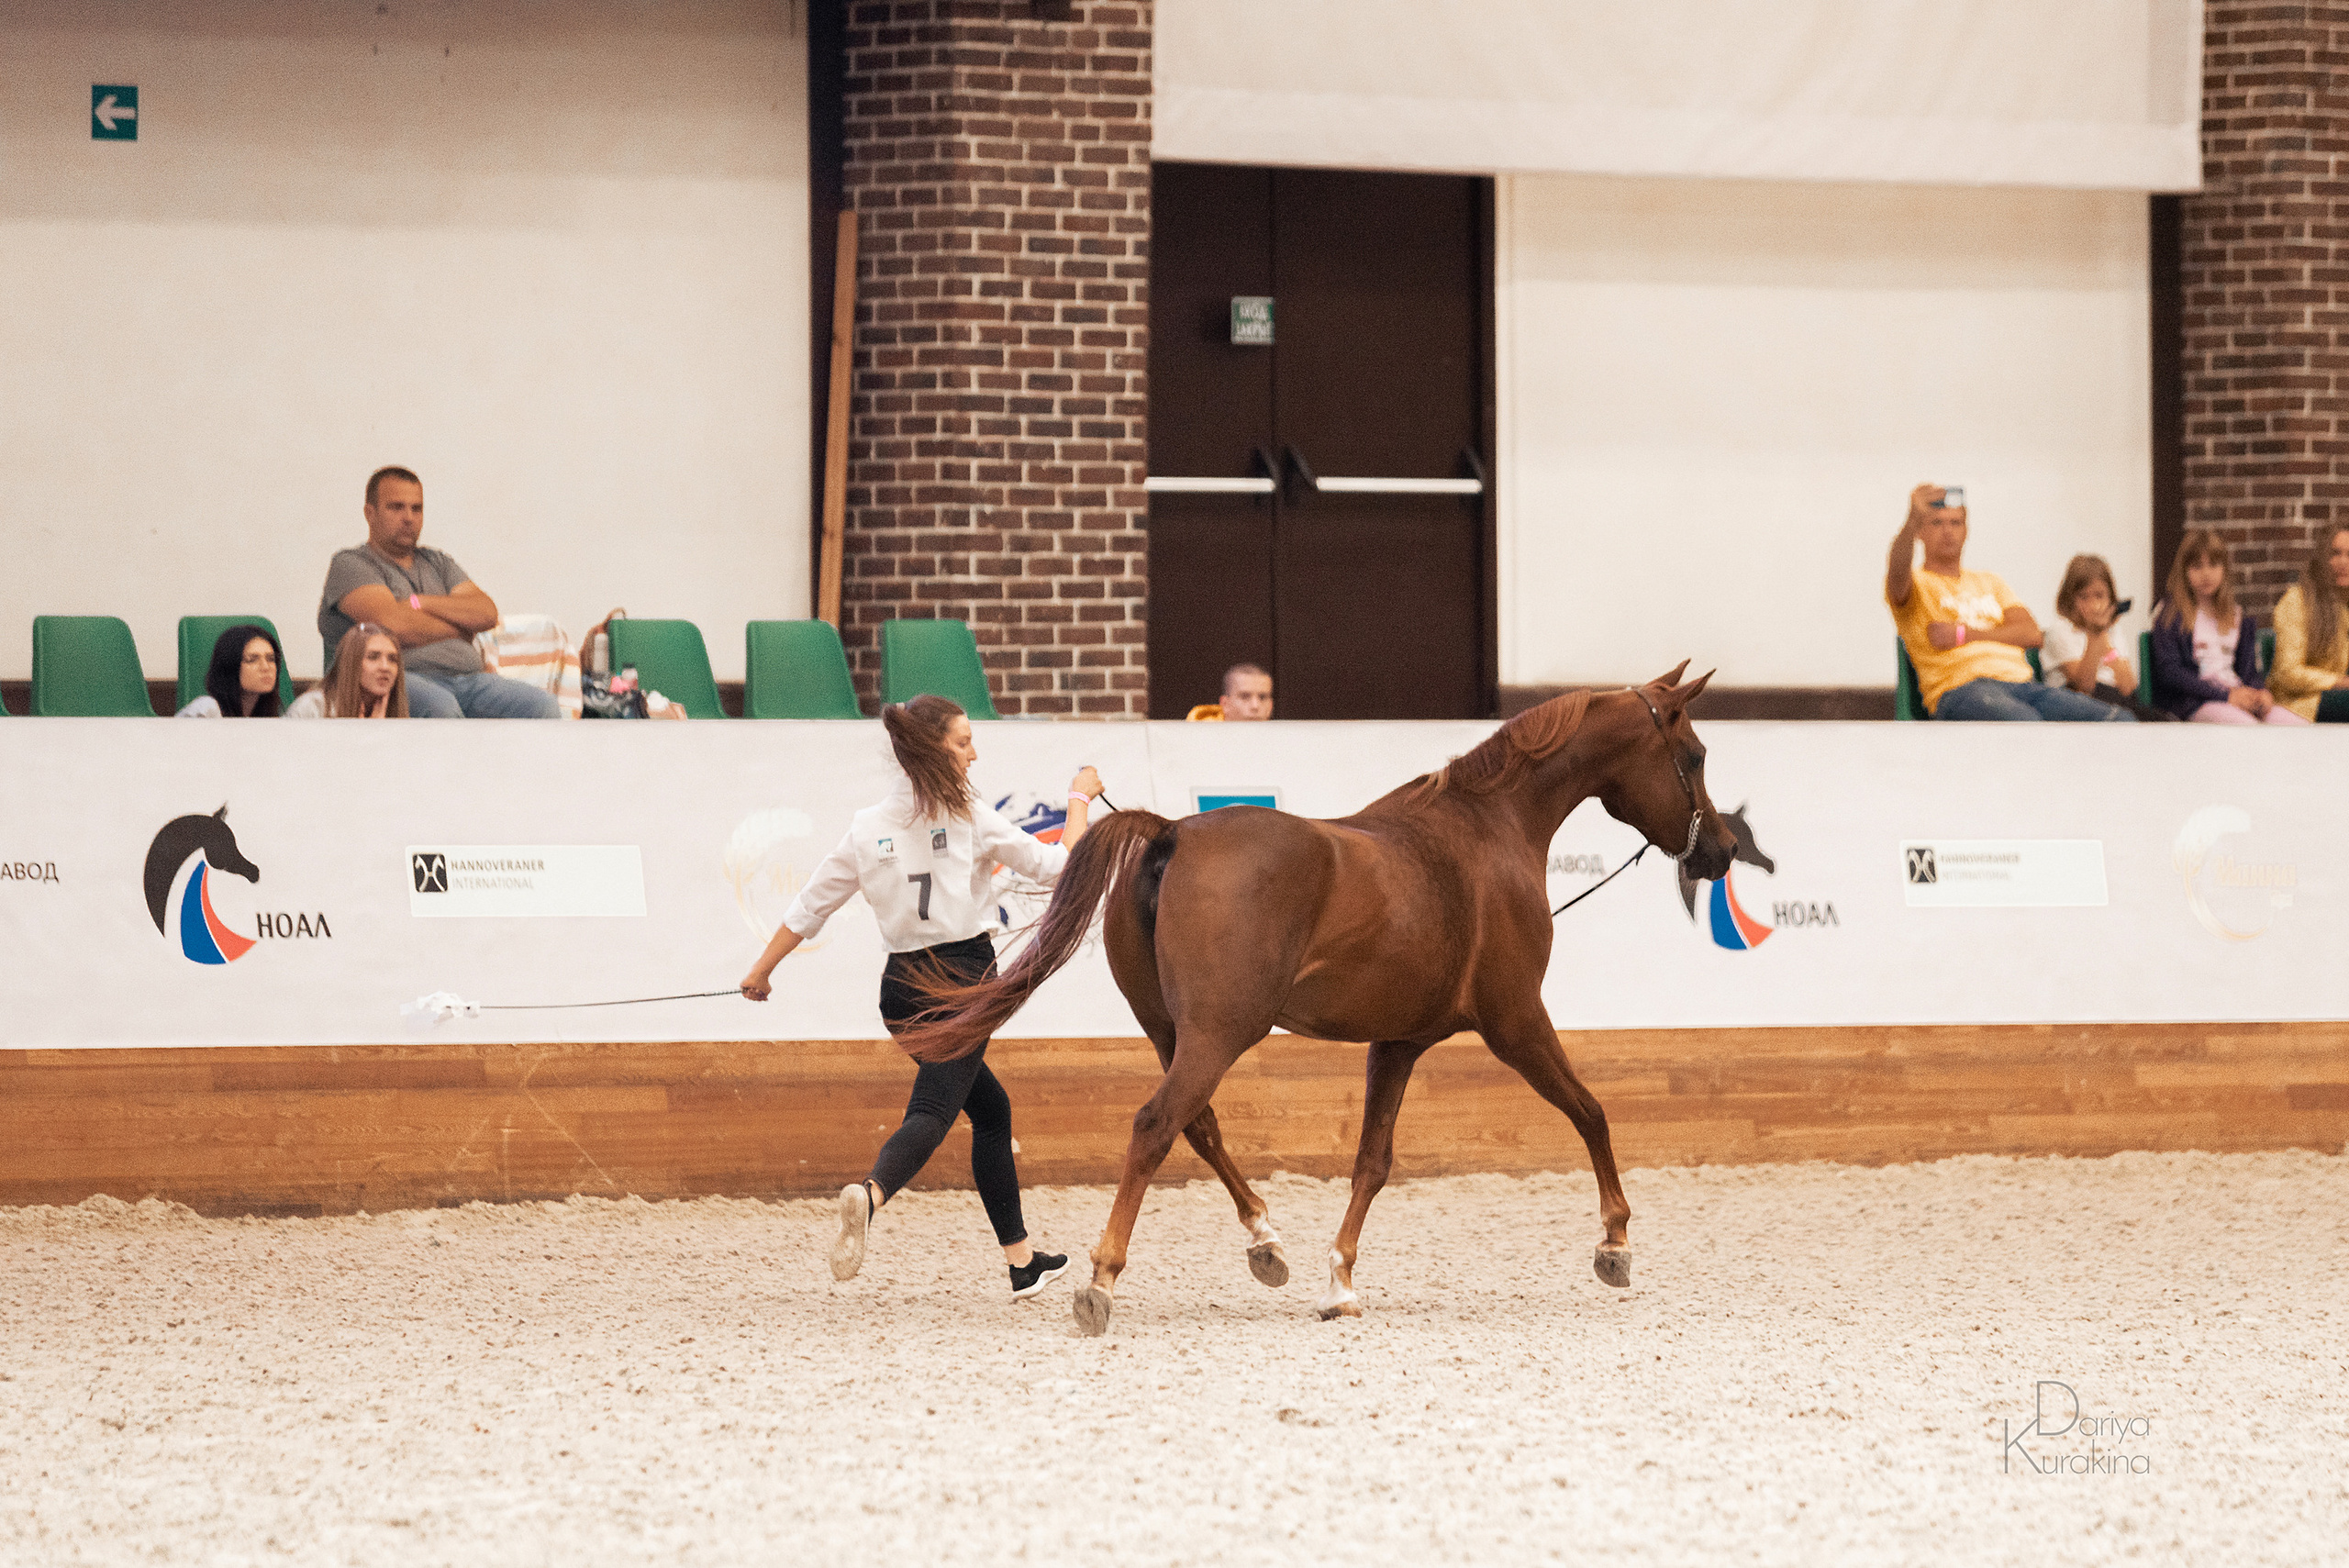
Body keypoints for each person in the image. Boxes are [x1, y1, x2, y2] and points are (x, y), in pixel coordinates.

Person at [738, 695, 1106, 1298]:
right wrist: (1080, 796)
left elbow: (811, 906)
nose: (975, 750)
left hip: (901, 990)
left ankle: (1021, 1261)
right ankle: (871, 1191)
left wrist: (761, 971)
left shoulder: (865, 827)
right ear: (935, 749)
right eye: (965, 741)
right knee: (933, 1111)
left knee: (989, 1108)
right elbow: (1061, 866)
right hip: (962, 978)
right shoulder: (972, 817)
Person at [317, 466, 561, 719]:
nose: (409, 517)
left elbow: (487, 613)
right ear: (370, 513)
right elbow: (394, 625)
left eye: (416, 508)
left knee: (543, 706)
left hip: (469, 680)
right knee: (440, 708)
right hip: (398, 680)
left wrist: (420, 603)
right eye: (396, 507)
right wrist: (463, 627)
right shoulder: (351, 564)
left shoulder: (438, 562)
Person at [1885, 484, 2127, 721]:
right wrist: (1911, 521)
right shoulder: (1916, 582)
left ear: (1966, 530)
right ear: (1920, 532)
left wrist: (1963, 635)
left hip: (2023, 686)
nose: (1947, 531)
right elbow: (1897, 571)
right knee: (2026, 724)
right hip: (1961, 689)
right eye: (1936, 523)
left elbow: (2031, 634)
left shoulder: (1990, 581)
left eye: (1955, 522)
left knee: (2119, 721)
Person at [2150, 530, 2304, 725]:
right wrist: (2226, 697)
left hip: (2235, 695)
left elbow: (2248, 672)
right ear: (2184, 571)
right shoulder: (2171, 614)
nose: (2206, 574)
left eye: (2213, 565)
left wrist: (2260, 693)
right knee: (2246, 727)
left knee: (2294, 726)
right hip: (2197, 702)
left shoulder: (2237, 615)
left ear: (2225, 569)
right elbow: (2171, 673)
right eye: (2197, 567)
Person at [2269, 525, 2349, 722]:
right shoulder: (2297, 600)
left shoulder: (2344, 605)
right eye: (2335, 553)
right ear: (2322, 557)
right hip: (2301, 705)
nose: (2344, 562)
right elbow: (2288, 672)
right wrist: (2339, 682)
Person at [287, 624, 410, 717]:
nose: (385, 667)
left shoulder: (395, 709)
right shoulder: (311, 708)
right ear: (351, 663)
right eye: (373, 657)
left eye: (392, 659)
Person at [175, 625, 286, 717]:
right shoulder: (206, 710)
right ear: (230, 666)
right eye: (252, 660)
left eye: (271, 659)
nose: (266, 667)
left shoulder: (270, 717)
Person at [1186, 662, 1275, 721]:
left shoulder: (1284, 741)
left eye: (1262, 697)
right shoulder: (1198, 738)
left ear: (1271, 705)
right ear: (1225, 704)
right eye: (1245, 697)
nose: (1255, 706)